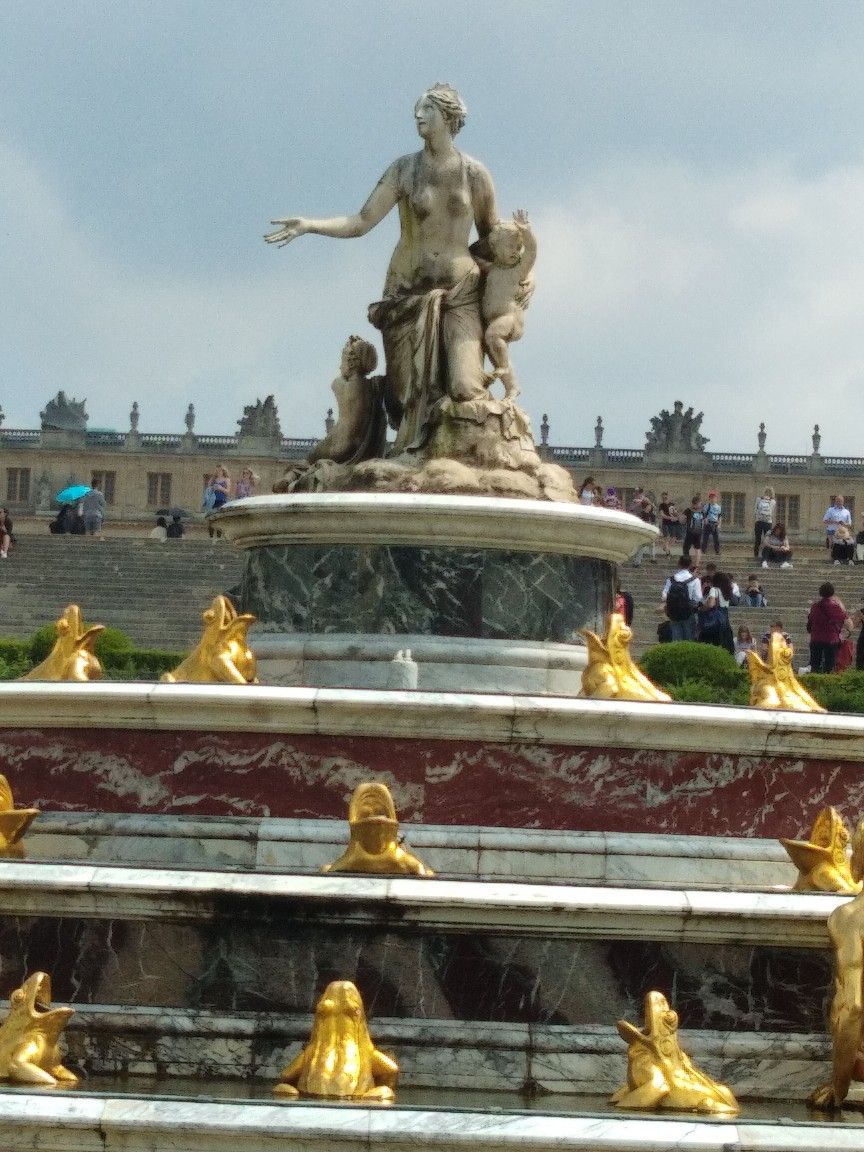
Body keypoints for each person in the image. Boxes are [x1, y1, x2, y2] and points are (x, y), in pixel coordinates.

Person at [266, 84, 497, 454]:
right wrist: (311, 225)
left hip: (460, 296)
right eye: (416, 111)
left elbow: (490, 239)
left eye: (427, 110)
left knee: (467, 387)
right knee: (406, 398)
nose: (418, 116)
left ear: (449, 117)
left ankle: (452, 458)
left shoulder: (476, 175)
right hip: (405, 296)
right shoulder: (404, 170)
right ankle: (390, 445)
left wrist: (522, 270)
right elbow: (361, 221)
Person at [480, 209, 536, 398]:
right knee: (493, 347)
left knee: (493, 337)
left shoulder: (517, 270)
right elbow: (474, 262)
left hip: (510, 319)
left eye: (518, 246)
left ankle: (503, 369)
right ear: (496, 248)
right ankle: (511, 386)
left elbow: (531, 252)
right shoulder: (493, 269)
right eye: (511, 246)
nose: (516, 251)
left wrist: (526, 231)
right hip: (496, 320)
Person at [807, 582, 847, 673]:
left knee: (815, 665)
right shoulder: (835, 606)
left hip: (816, 638)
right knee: (829, 666)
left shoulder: (815, 606)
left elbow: (810, 621)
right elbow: (843, 617)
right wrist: (840, 604)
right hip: (831, 639)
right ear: (832, 592)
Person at [661, 557, 702, 642]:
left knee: (676, 639)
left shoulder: (671, 579)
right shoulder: (695, 580)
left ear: (678, 564)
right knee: (689, 639)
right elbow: (698, 597)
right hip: (689, 612)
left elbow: (664, 595)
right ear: (690, 565)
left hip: (673, 612)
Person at [697, 571, 734, 653]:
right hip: (724, 619)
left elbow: (711, 604)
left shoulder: (714, 590)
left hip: (714, 620)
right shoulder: (726, 591)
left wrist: (702, 608)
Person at [753, 486, 776, 560]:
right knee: (767, 539)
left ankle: (756, 555)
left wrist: (757, 518)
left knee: (757, 539)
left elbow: (755, 510)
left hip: (759, 521)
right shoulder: (773, 501)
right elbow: (771, 512)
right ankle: (766, 556)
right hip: (768, 522)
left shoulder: (759, 499)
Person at [700, 489, 722, 556]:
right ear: (709, 498)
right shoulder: (707, 506)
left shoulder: (718, 507)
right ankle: (703, 551)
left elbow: (720, 515)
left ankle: (717, 551)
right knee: (705, 538)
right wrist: (705, 519)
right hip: (708, 523)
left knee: (716, 539)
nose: (712, 499)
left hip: (715, 523)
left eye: (714, 498)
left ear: (716, 498)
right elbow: (703, 513)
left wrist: (719, 524)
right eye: (711, 498)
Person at [683, 496, 703, 563]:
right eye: (700, 503)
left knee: (686, 548)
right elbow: (705, 521)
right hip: (699, 532)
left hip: (690, 532)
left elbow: (682, 519)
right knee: (697, 549)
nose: (701, 504)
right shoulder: (702, 511)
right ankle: (696, 565)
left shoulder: (688, 510)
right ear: (697, 503)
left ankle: (687, 563)